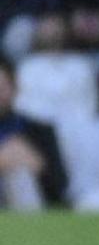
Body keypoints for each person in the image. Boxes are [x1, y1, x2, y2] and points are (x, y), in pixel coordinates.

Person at [0, 54, 70, 209]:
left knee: (20, 176)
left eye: (2, 88)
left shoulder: (40, 131)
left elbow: (60, 185)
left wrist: (38, 165)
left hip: (26, 205)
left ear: (15, 89)